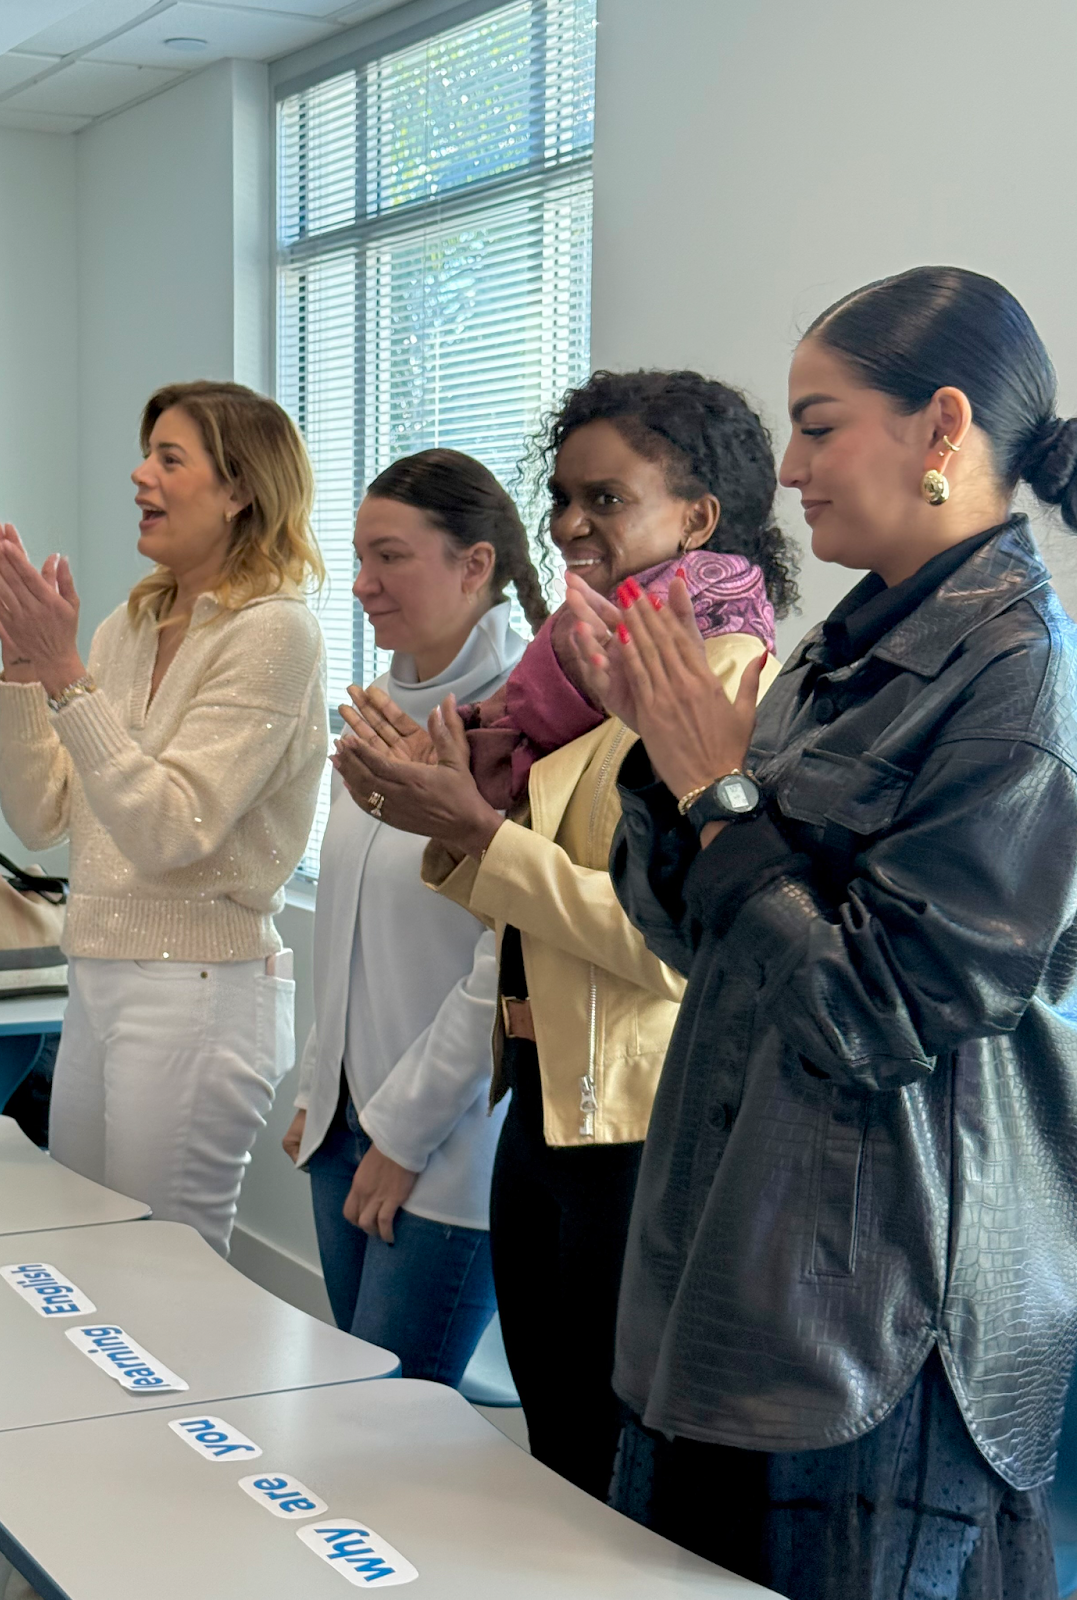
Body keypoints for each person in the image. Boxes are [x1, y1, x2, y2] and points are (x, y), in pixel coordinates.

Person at [573, 268, 1077, 1600]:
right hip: (747, 1273)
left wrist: (718, 794)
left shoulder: (1019, 678)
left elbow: (881, 1006)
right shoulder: (840, 649)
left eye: (819, 423)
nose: (787, 467)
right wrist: (663, 759)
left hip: (881, 1326)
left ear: (941, 428)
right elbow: (708, 945)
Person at [333, 370, 794, 1496]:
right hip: (540, 1107)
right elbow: (528, 917)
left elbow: (663, 941)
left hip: (638, 1130)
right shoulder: (579, 686)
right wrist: (448, 816)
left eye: (607, 498)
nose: (573, 526)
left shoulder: (722, 676)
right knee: (554, 1455)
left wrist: (478, 831)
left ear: (698, 518)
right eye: (562, 498)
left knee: (610, 1475)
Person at [0, 380, 327, 1257]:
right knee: (89, 1258)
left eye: (170, 459)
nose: (140, 475)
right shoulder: (129, 625)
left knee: (162, 1280)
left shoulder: (275, 633)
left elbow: (173, 829)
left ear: (241, 488)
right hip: (99, 974)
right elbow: (39, 814)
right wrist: (26, 669)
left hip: (200, 992)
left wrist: (64, 678)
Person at [283, 449, 545, 1384]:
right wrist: (323, 1090)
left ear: (475, 565)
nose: (361, 585)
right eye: (358, 557)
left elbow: (505, 959)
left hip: (444, 1141)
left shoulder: (527, 719)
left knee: (390, 1424)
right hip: (348, 1124)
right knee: (354, 1401)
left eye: (389, 556)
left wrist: (400, 1133)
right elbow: (349, 921)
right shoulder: (381, 710)